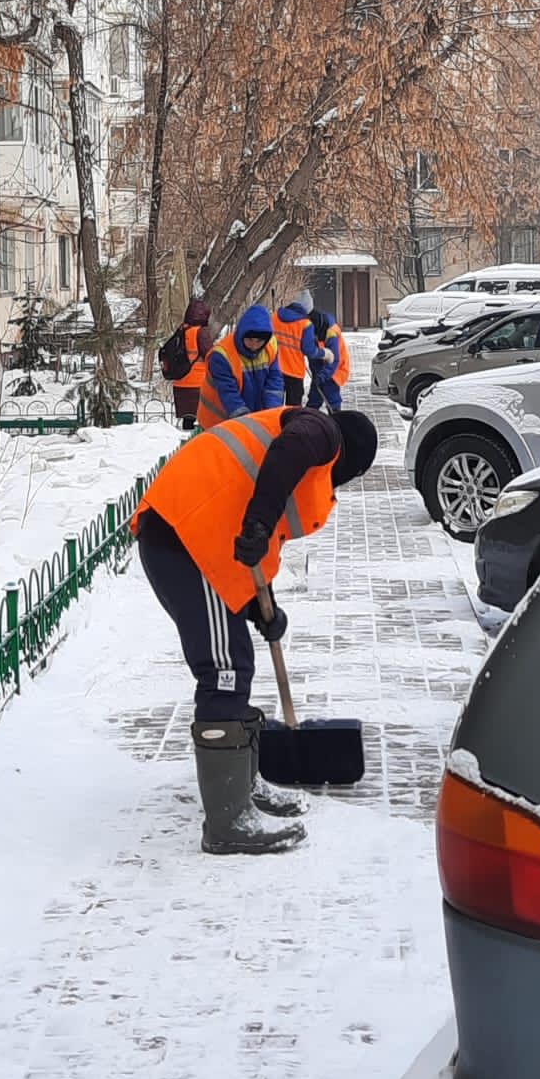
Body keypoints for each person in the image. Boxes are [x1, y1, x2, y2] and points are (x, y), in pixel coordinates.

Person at [133, 404, 379, 854]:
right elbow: (289, 452)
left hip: (197, 537)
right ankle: (228, 822)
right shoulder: (321, 432)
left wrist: (259, 608)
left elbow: (244, 532)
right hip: (182, 537)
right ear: (349, 461)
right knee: (223, 668)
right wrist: (260, 522)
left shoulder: (292, 457)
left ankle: (242, 788)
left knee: (236, 659)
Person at [195, 305, 285, 428]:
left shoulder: (270, 347)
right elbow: (229, 395)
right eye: (250, 340)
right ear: (242, 334)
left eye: (259, 341)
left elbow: (274, 382)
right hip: (217, 421)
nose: (254, 346)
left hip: (252, 416)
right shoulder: (221, 356)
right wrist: (247, 425)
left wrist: (271, 416)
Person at [273, 289, 331, 406]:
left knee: (274, 407)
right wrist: (325, 353)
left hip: (274, 370)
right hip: (294, 372)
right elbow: (309, 350)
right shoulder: (305, 324)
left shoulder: (275, 317)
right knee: (293, 410)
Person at [171, 297, 213, 430]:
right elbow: (210, 354)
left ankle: (187, 442)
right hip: (198, 383)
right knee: (203, 419)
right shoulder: (200, 332)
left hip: (180, 381)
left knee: (188, 420)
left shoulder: (181, 330)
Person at [307, 310, 350, 411]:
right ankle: (309, 421)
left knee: (331, 398)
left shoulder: (331, 333)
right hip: (321, 367)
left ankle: (336, 421)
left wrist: (322, 376)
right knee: (314, 399)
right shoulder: (312, 329)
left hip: (335, 370)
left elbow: (334, 360)